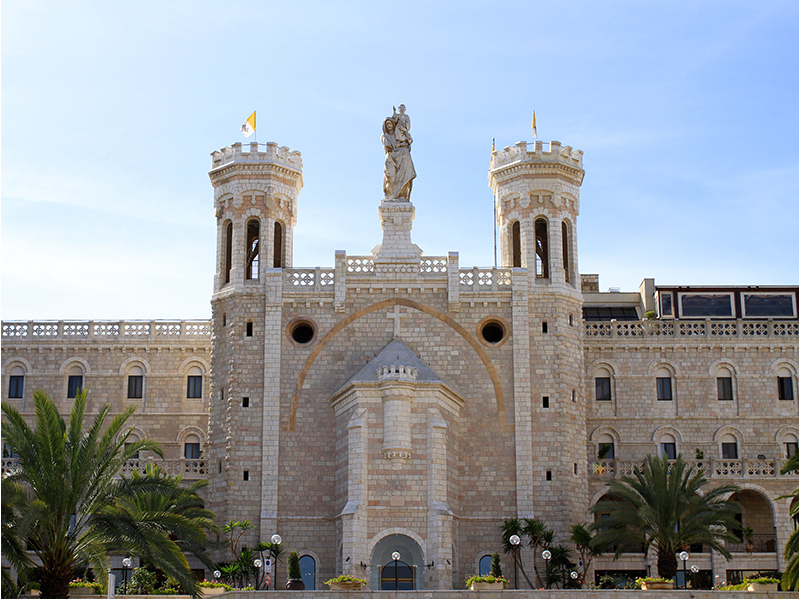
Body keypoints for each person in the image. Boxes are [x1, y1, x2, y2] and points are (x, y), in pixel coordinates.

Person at [382, 110, 416, 201]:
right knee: (391, 176)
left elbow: (409, 141)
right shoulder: (385, 136)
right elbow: (388, 146)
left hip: (402, 156)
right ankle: (390, 196)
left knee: (406, 173)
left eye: (391, 123)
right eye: (387, 124)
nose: (389, 126)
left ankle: (402, 195)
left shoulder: (401, 135)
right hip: (391, 159)